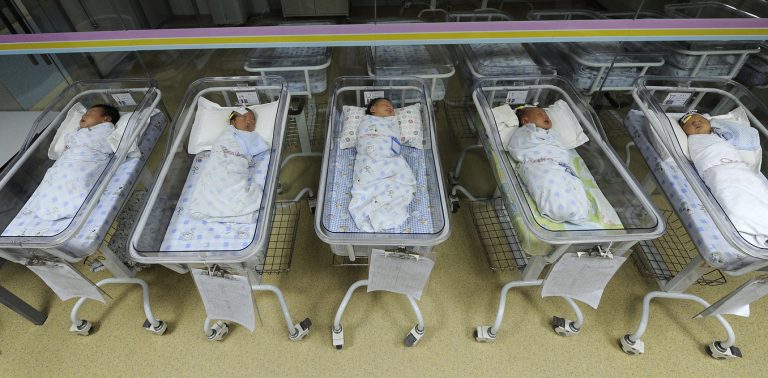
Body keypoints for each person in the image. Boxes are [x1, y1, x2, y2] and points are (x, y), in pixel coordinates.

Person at [680, 111, 768, 247]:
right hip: (719, 172)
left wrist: (716, 125)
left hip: (740, 169)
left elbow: (743, 134)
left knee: (760, 193)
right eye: (689, 123)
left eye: (700, 119)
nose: (695, 122)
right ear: (684, 131)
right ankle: (757, 229)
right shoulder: (694, 140)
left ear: (710, 123)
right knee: (735, 204)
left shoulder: (720, 135)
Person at [505, 105, 590, 223]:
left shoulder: (554, 134)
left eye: (546, 115)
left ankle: (579, 209)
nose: (546, 116)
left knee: (575, 184)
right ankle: (557, 208)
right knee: (549, 182)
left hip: (562, 166)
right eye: (540, 114)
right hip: (540, 166)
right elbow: (517, 148)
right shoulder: (526, 132)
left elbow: (560, 148)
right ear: (525, 120)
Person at [188, 108, 270, 224]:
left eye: (252, 121)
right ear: (232, 122)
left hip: (234, 168)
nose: (249, 122)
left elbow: (263, 146)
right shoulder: (225, 134)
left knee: (233, 187)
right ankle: (232, 213)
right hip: (217, 166)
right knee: (209, 186)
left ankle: (222, 213)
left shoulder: (251, 136)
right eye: (244, 118)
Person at [348, 98, 417, 232]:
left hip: (389, 158)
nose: (390, 107)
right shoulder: (367, 120)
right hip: (369, 157)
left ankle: (386, 207)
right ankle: (372, 205)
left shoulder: (393, 122)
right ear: (373, 109)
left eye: (391, 106)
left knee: (399, 175)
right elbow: (362, 139)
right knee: (366, 176)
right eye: (385, 104)